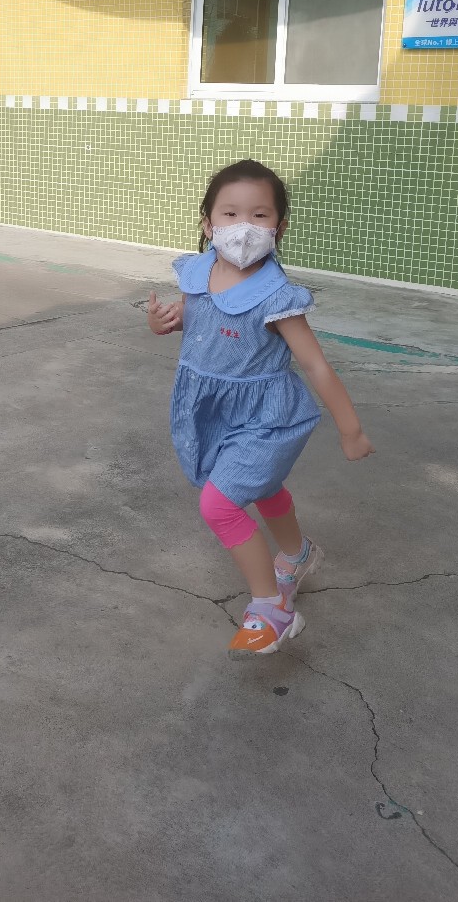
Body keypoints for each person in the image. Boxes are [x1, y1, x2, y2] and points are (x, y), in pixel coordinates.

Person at [147, 159, 374, 658]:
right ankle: (297, 555)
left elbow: (314, 365)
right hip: (211, 409)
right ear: (208, 222)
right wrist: (165, 321)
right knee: (265, 488)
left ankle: (272, 608)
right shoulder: (197, 271)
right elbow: (197, 318)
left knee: (219, 504)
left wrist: (350, 428)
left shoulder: (276, 297)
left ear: (279, 227)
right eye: (230, 214)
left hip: (267, 417)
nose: (243, 227)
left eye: (259, 215)